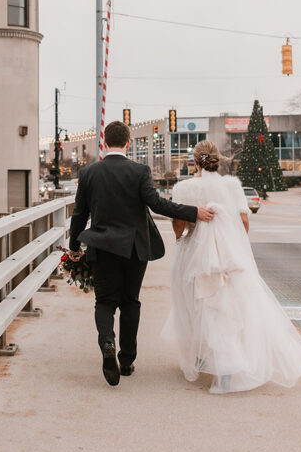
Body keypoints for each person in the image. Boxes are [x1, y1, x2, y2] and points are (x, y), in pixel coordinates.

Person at [69, 121, 216, 386]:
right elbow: (157, 204)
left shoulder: (89, 172)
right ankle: (126, 361)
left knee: (104, 302)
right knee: (130, 302)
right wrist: (193, 212)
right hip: (134, 249)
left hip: (101, 247)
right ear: (128, 143)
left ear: (104, 142)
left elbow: (80, 213)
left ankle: (107, 342)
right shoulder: (139, 171)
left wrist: (73, 246)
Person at [166, 140, 301, 393]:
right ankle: (226, 364)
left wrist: (182, 239)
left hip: (194, 255)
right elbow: (244, 222)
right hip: (229, 257)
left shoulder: (184, 187)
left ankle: (205, 357)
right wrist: (232, 244)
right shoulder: (232, 185)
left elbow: (179, 223)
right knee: (228, 308)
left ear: (194, 161)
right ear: (218, 158)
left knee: (195, 304)